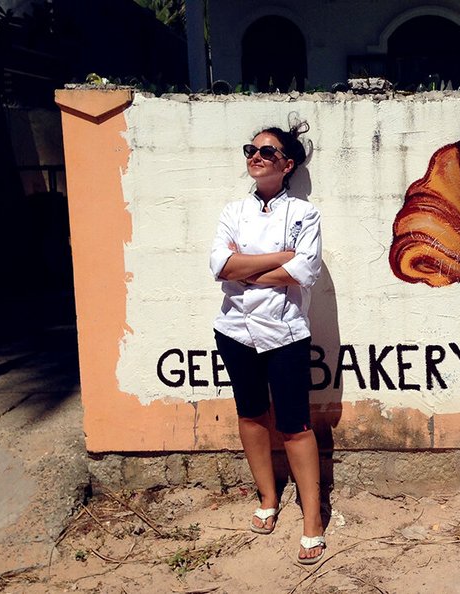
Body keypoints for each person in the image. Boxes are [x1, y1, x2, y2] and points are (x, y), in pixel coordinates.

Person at [209, 123, 325, 564]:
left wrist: (246, 269)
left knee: (295, 424)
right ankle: (268, 497)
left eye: (267, 151)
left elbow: (305, 271)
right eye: (251, 149)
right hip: (235, 329)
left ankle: (312, 519)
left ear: (287, 163)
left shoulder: (304, 214)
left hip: (285, 332)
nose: (255, 156)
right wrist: (280, 258)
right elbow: (221, 266)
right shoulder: (232, 211)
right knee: (252, 414)